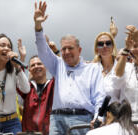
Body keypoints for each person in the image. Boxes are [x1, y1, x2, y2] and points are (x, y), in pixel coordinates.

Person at [34, 1, 105, 135]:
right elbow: (43, 51)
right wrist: (38, 27)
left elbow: (100, 96)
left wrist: (98, 117)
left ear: (79, 50)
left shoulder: (93, 68)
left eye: (70, 48)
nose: (66, 52)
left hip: (82, 120)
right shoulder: (57, 64)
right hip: (57, 120)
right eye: (63, 49)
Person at [17, 38, 59, 135]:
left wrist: (54, 53)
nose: (36, 66)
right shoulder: (27, 88)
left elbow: (60, 72)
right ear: (30, 70)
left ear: (47, 67)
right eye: (33, 65)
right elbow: (19, 78)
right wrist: (22, 58)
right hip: (28, 133)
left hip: (49, 132)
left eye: (39, 63)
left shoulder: (53, 86)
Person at [111, 25, 138, 122]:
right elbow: (116, 80)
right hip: (127, 122)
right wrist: (126, 49)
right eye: (134, 46)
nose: (136, 49)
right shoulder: (126, 67)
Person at [92, 32, 119, 102]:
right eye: (100, 44)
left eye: (108, 43)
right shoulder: (91, 69)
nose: (104, 46)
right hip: (96, 111)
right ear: (97, 49)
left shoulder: (121, 67)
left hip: (117, 111)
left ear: (113, 46)